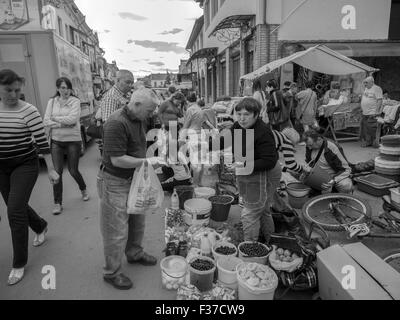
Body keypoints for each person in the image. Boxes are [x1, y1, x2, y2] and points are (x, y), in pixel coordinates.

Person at [97, 88, 163, 290]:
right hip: (115, 181)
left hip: (135, 178)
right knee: (115, 230)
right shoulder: (116, 122)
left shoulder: (139, 117)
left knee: (137, 220)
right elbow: (117, 160)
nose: (152, 114)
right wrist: (148, 162)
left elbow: (143, 141)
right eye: (150, 110)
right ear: (136, 104)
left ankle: (134, 253)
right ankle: (112, 272)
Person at [0, 69, 59, 286]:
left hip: (24, 165)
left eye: (17, 90)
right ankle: (40, 225)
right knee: (17, 205)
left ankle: (18, 264)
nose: (14, 95)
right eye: (8, 90)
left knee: (14, 210)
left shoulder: (29, 111)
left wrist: (51, 169)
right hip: (1, 167)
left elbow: (43, 143)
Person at [221, 97, 280, 242]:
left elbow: (269, 161)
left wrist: (243, 165)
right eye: (239, 114)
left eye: (246, 114)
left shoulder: (263, 131)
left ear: (256, 114)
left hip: (267, 172)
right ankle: (271, 240)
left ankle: (250, 247)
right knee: (263, 209)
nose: (242, 118)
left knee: (250, 213)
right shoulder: (237, 126)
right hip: (251, 171)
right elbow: (225, 140)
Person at [44, 77, 89, 215]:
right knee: (57, 172)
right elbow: (46, 120)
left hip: (73, 140)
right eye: (63, 88)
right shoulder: (51, 102)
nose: (66, 91)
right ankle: (57, 203)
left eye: (68, 88)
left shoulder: (75, 101)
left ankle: (83, 189)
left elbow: (73, 119)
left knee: (73, 170)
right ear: (58, 88)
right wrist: (63, 123)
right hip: (56, 140)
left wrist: (55, 119)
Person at [360, 76, 383, 148]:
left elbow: (380, 100)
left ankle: (375, 142)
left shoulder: (377, 88)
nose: (365, 84)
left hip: (372, 112)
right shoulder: (366, 88)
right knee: (366, 128)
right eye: (364, 82)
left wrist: (376, 111)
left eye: (366, 82)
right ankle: (368, 142)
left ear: (372, 82)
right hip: (365, 112)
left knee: (372, 128)